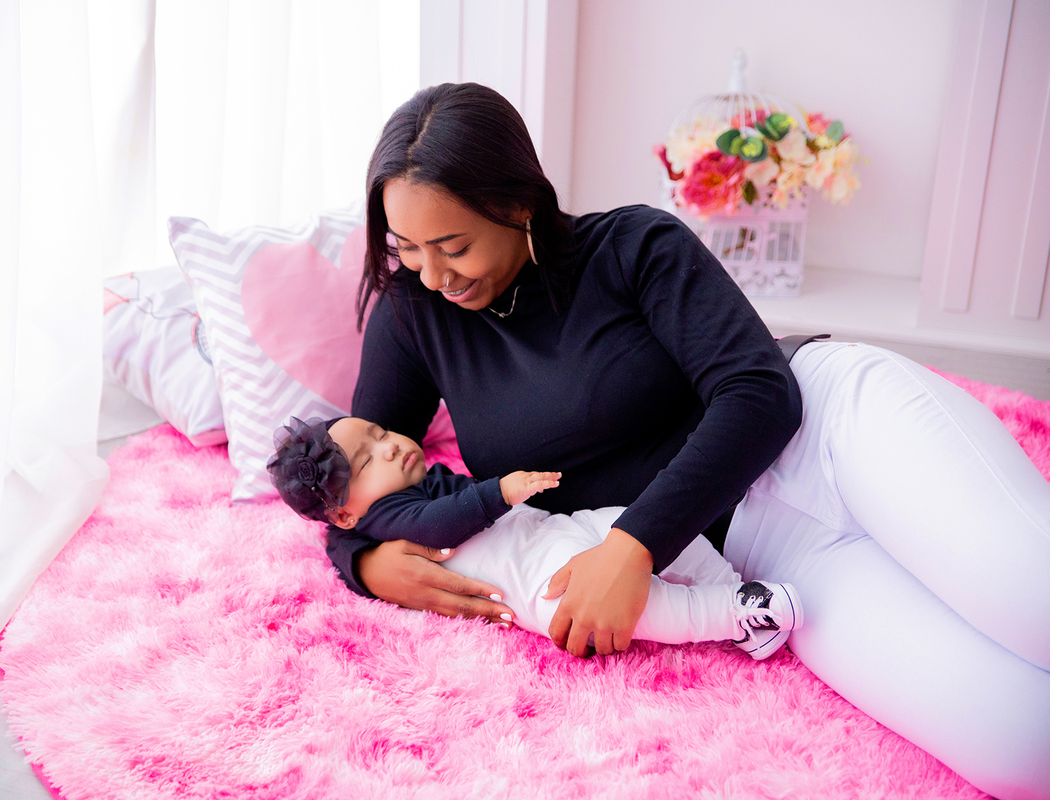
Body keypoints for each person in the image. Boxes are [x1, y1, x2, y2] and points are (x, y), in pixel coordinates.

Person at [318, 82, 1050, 800]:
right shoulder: (413, 315)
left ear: (516, 204)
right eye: (407, 248)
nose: (432, 274)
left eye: (452, 246)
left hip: (831, 433)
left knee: (1033, 602)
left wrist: (633, 547)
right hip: (762, 551)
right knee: (1022, 751)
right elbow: (346, 470)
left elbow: (759, 392)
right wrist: (368, 563)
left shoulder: (632, 245)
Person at [267, 416, 804, 660]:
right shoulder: (386, 517)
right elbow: (439, 525)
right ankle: (732, 613)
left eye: (381, 432)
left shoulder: (415, 481)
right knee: (639, 606)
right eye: (367, 460)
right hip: (539, 582)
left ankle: (730, 587)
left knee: (640, 523)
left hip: (555, 531)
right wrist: (500, 491)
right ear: (344, 516)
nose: (389, 447)